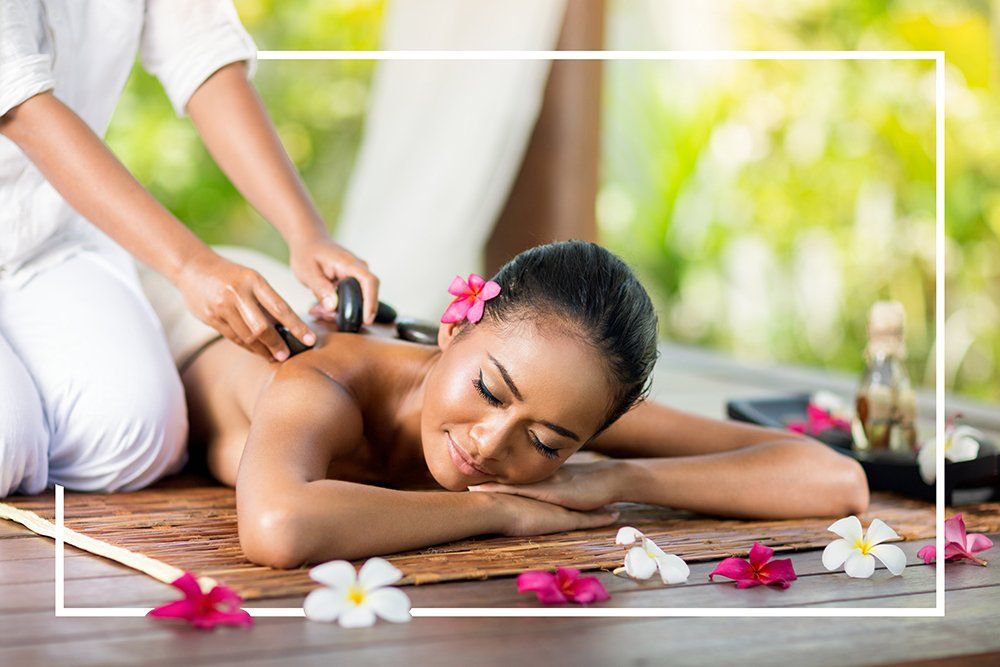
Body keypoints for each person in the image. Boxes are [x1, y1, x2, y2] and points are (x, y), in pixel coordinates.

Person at [176, 240, 870, 568]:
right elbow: (277, 526)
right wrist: (494, 508)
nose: (489, 442)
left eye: (545, 444)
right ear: (453, 327)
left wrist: (616, 477)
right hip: (178, 316)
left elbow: (836, 478)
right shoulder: (324, 386)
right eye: (487, 390)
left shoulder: (556, 398)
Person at [0, 0, 379, 498]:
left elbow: (204, 57)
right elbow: (21, 106)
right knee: (9, 439)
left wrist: (306, 232)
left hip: (45, 237)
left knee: (136, 439)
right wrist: (190, 265)